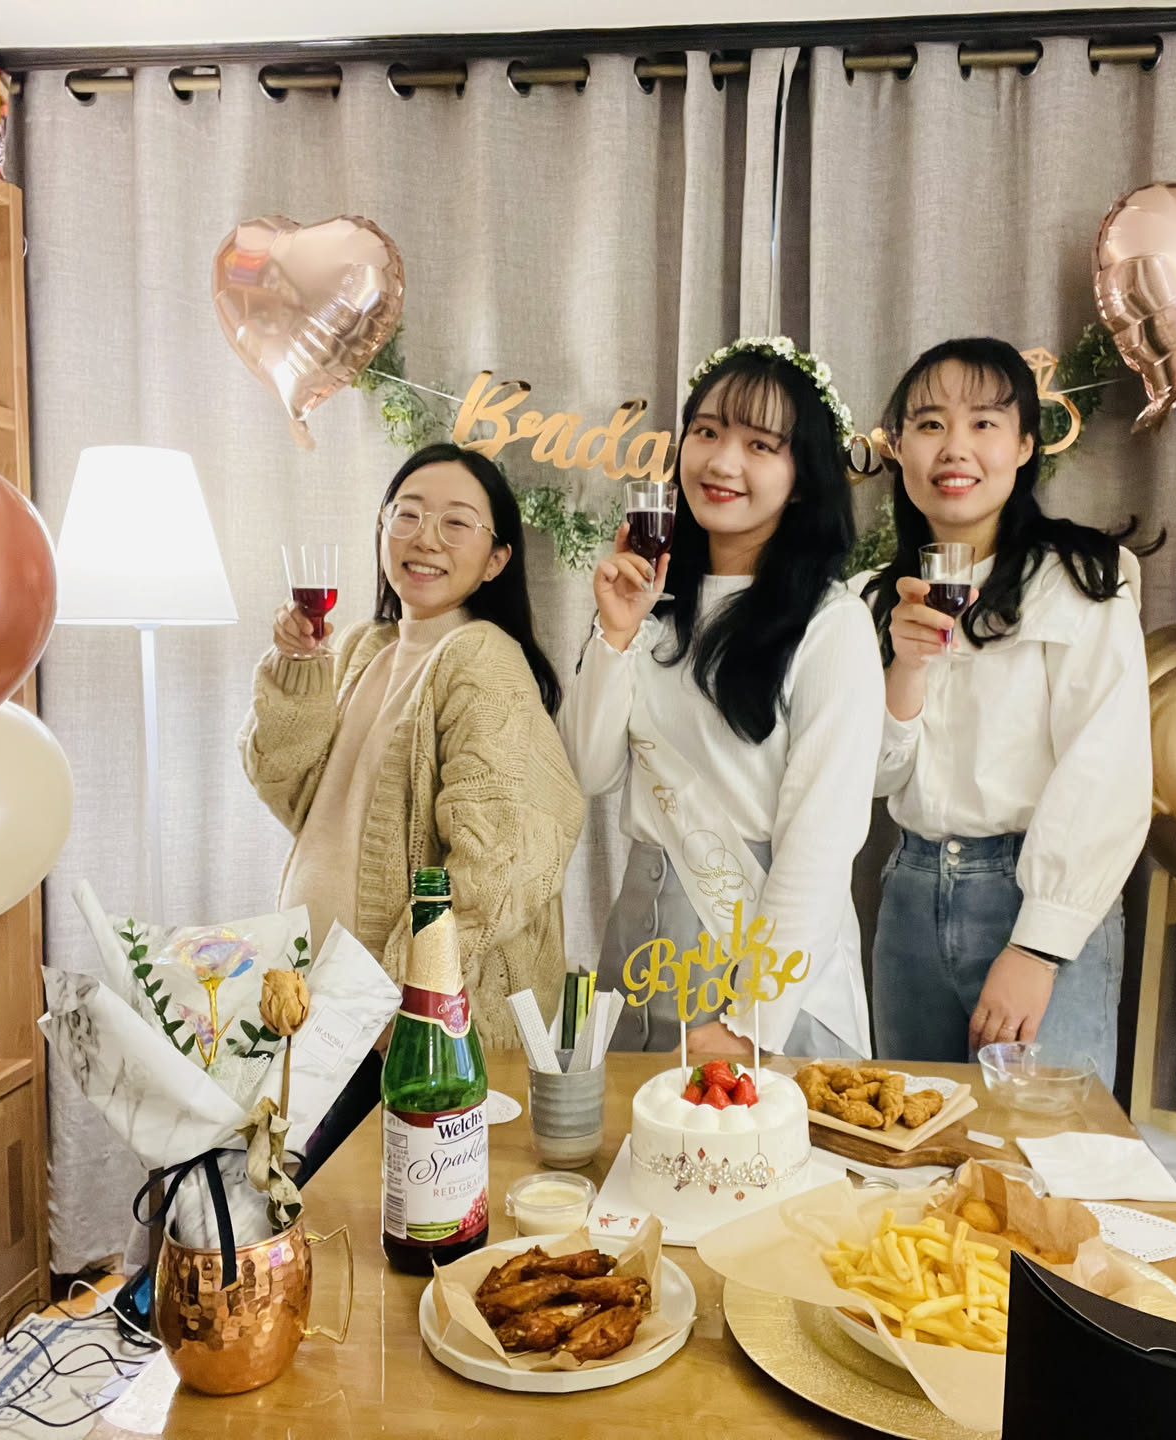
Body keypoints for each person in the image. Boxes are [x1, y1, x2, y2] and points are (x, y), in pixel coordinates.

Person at [561, 337, 884, 1059]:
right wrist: (615, 633)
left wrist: (749, 1022)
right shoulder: (649, 600)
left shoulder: (831, 624)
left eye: (760, 444)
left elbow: (821, 842)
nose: (722, 462)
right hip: (640, 939)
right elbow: (585, 771)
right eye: (706, 433)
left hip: (763, 960)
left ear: (801, 477)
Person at [858, 337, 1153, 1076]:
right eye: (929, 424)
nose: (954, 447)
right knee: (914, 1131)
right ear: (899, 448)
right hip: (910, 894)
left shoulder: (1083, 577)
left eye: (983, 423)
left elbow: (1107, 768)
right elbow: (870, 779)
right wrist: (905, 667)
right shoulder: (874, 597)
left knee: (1045, 1137)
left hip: (1034, 893)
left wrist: (1038, 945)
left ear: (1024, 445)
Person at [240, 442, 584, 1049]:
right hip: (325, 1018)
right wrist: (299, 665)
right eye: (408, 514)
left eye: (456, 523)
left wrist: (400, 996)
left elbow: (495, 867)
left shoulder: (481, 658)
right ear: (383, 528)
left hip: (417, 1033)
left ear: (496, 560)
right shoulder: (363, 648)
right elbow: (292, 791)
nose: (426, 538)